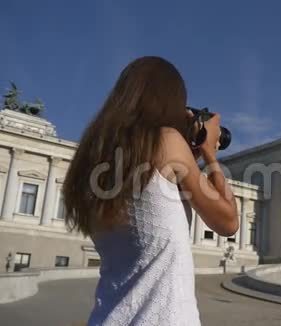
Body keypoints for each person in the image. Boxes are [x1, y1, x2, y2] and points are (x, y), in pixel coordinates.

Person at [63, 56, 238, 325]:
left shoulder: (93, 162)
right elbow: (228, 221)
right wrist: (209, 152)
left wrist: (190, 156)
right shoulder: (167, 142)